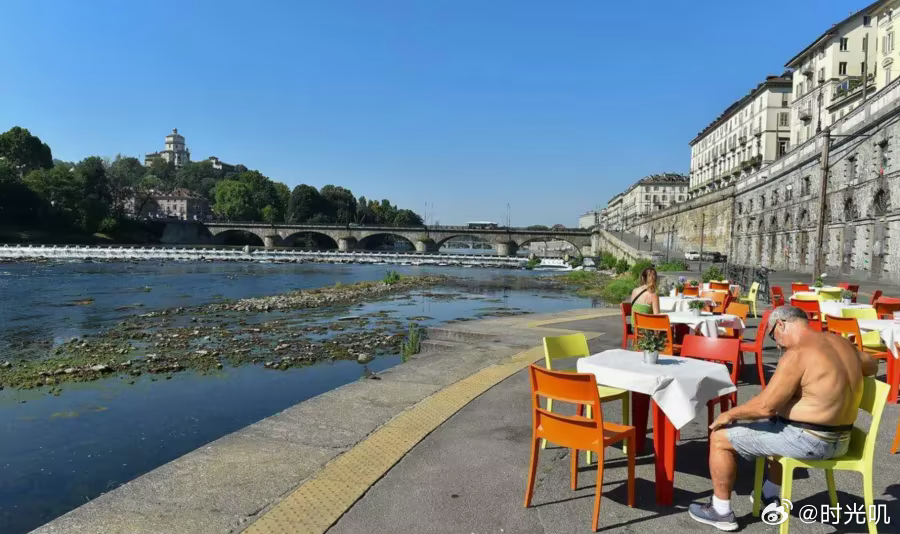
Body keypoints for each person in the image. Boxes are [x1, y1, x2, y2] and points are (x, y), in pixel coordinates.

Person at [688, 305, 878, 531]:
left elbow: (766, 406)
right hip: (843, 442)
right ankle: (769, 494)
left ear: (781, 324)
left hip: (811, 441)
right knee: (776, 425)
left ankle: (720, 511)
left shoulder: (797, 354)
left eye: (773, 336)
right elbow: (872, 365)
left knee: (720, 438)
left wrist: (728, 414)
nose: (776, 344)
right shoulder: (842, 344)